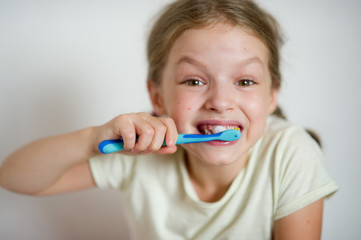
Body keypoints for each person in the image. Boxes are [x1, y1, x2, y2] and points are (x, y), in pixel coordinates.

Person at [0, 0, 338, 239]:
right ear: (157, 97)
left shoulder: (292, 153)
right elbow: (15, 177)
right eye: (194, 81)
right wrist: (93, 138)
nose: (220, 102)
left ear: (272, 95)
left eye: (245, 81)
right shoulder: (140, 151)